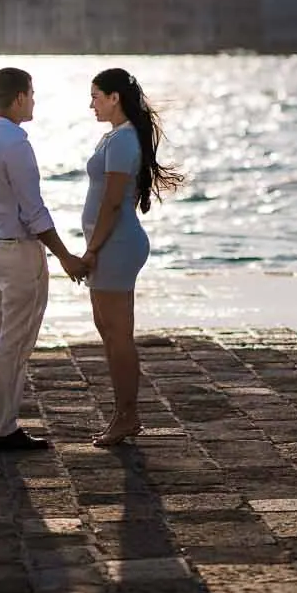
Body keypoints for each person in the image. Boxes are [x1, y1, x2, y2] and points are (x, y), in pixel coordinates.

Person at [0, 67, 87, 452]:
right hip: (19, 252)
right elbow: (33, 211)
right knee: (14, 342)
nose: (34, 101)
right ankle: (4, 428)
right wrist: (65, 256)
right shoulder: (16, 144)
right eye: (31, 94)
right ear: (18, 97)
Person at [80, 67, 184, 447]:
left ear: (114, 98)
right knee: (108, 332)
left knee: (118, 335)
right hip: (110, 244)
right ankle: (122, 414)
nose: (91, 104)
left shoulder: (123, 141)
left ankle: (127, 416)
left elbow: (112, 203)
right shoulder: (115, 137)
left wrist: (91, 250)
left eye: (95, 97)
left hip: (117, 245)